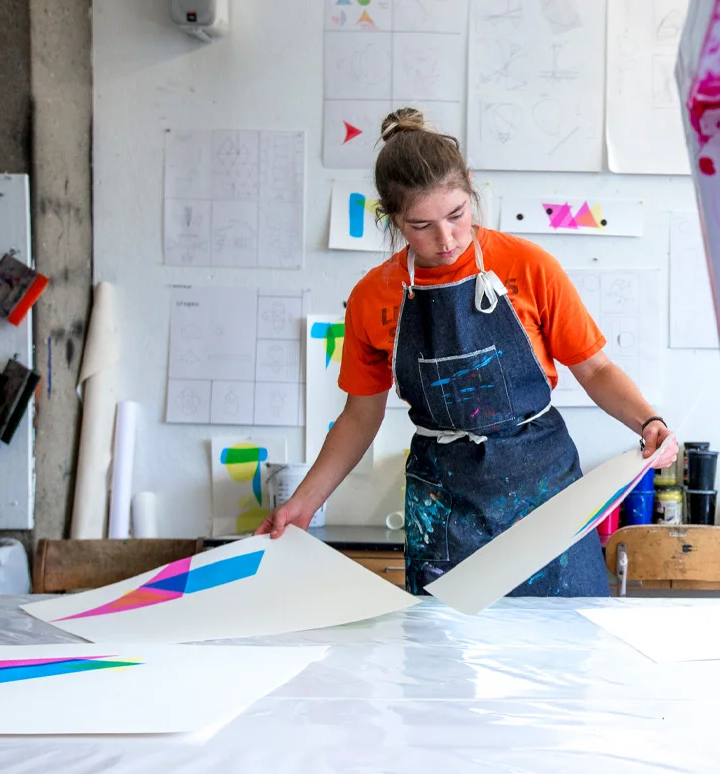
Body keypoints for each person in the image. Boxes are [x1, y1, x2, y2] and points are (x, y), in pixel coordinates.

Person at [257, 107, 677, 597]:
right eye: (420, 225)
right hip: (445, 505)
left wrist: (648, 421)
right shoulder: (375, 297)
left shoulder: (529, 267)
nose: (447, 239)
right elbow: (358, 417)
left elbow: (596, 367)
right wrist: (303, 503)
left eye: (457, 214)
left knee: (564, 651)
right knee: (445, 661)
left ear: (471, 188)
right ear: (391, 219)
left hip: (545, 496)